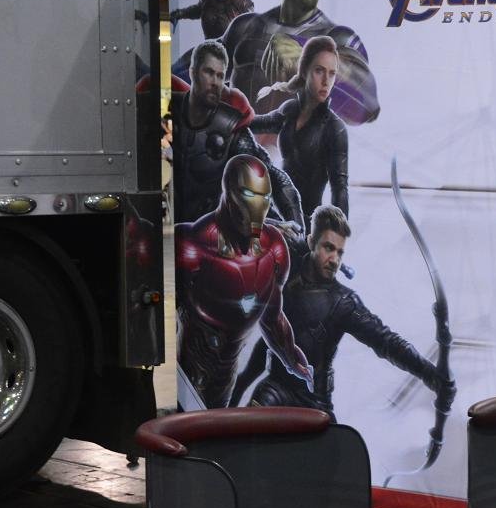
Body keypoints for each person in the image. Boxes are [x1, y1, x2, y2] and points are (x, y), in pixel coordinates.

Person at [248, 205, 454, 418]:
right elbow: (247, 215)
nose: (335, 260)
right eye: (328, 248)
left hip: (315, 402)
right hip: (275, 390)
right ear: (311, 242)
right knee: (246, 427)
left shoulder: (344, 302)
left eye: (340, 252)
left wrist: (431, 376)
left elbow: (386, 341)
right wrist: (275, 225)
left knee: (335, 440)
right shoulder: (288, 260)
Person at [178, 0, 379, 126]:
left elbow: (367, 105)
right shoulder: (246, 26)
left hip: (294, 150)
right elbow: (196, 65)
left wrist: (306, 56)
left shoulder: (337, 37)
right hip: (236, 144)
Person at [175, 154, 312, 409]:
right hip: (191, 367)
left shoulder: (274, 249)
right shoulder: (194, 245)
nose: (259, 206)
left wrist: (291, 357)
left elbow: (272, 315)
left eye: (265, 198)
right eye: (250, 195)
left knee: (216, 424)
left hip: (226, 372)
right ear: (230, 193)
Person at [169, 40, 303, 228]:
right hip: (165, 233)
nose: (215, 82)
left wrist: (294, 228)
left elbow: (274, 178)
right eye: (209, 72)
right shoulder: (166, 109)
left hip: (214, 235)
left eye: (220, 76)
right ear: (193, 72)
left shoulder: (230, 129)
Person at [249, 35, 349, 230]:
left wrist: (336, 235)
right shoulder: (290, 110)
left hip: (306, 227)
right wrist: (226, 113)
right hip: (275, 217)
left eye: (332, 74)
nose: (326, 81)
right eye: (319, 71)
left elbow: (340, 189)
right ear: (304, 71)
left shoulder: (334, 128)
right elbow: (257, 123)